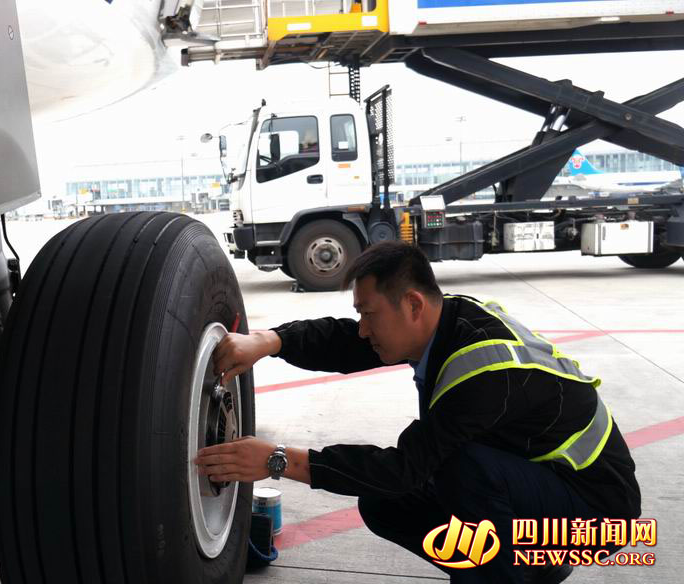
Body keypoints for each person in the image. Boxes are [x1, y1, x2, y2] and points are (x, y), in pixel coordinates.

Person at [194, 241, 640, 583]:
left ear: (412, 304)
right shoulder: (447, 321)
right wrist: (269, 341)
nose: (363, 328)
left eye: (369, 314)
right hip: (543, 484)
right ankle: (527, 568)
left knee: (461, 471)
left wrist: (277, 461)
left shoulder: (482, 375)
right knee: (384, 503)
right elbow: (346, 341)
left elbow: (403, 469)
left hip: (599, 516)